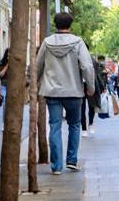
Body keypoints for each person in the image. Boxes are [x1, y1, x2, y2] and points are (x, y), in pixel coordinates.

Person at [35, 12, 94, 175]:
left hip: (52, 91)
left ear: (55, 24)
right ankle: (72, 160)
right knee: (74, 125)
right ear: (70, 24)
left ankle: (56, 166)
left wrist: (35, 82)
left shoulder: (47, 42)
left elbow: (37, 66)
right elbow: (87, 67)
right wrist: (90, 87)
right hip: (74, 91)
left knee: (54, 126)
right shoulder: (78, 42)